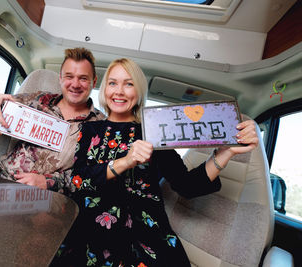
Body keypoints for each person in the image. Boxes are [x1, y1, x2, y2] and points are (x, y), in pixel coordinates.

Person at [51, 58, 259, 266]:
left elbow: (187, 185)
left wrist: (226, 153)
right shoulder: (90, 129)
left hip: (143, 239)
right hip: (90, 235)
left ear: (139, 90)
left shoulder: (155, 131)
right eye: (113, 83)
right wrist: (126, 161)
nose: (119, 91)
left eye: (129, 84)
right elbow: (78, 180)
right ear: (104, 88)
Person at [0, 47, 105, 194]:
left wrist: (48, 182)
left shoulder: (101, 125)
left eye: (83, 78)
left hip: (46, 199)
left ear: (94, 81)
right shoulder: (39, 100)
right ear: (60, 78)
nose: (75, 84)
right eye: (69, 76)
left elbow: (92, 175)